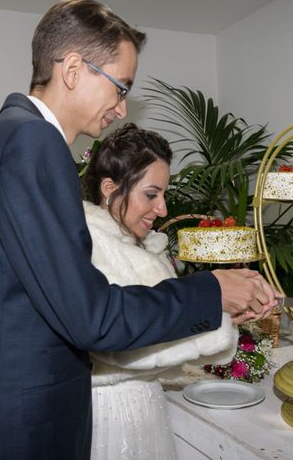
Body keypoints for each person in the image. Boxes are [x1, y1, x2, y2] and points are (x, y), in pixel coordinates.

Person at [0, 0, 276, 460]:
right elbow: (91, 317)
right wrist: (210, 291)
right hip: (16, 428)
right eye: (119, 86)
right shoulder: (33, 143)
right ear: (73, 69)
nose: (122, 107)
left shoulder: (3, 137)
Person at [82, 123, 239, 459]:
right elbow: (115, 346)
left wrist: (221, 310)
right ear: (110, 188)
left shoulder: (148, 246)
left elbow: (165, 322)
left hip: (148, 404)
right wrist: (215, 314)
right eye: (151, 195)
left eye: (163, 195)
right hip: (111, 411)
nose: (163, 209)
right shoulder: (91, 245)